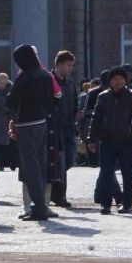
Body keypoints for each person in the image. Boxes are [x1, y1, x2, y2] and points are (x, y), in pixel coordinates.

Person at [5, 43, 55, 221]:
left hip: (26, 124)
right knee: (40, 165)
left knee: (30, 168)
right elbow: (53, 99)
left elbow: (10, 102)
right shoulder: (45, 75)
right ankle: (41, 204)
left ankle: (39, 208)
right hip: (42, 122)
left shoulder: (24, 77)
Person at [90, 66, 132, 215]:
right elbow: (96, 119)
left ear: (125, 80)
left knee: (127, 173)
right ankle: (106, 204)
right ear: (110, 81)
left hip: (127, 140)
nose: (118, 81)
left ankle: (126, 204)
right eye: (115, 79)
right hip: (107, 140)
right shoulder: (102, 97)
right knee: (106, 173)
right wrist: (91, 139)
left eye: (121, 78)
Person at [49, 51, 80, 209]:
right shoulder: (49, 81)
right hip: (56, 129)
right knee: (60, 163)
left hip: (70, 128)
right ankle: (60, 196)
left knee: (68, 161)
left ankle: (56, 193)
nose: (70, 68)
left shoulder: (70, 83)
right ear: (59, 65)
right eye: (68, 65)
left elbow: (75, 103)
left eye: (71, 65)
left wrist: (77, 115)